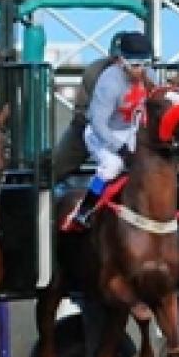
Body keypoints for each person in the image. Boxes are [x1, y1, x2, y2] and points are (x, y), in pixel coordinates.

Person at [60, 32, 152, 231]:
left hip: (130, 130)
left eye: (146, 64)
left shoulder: (151, 76)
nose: (141, 71)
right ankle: (84, 209)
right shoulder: (109, 82)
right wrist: (119, 148)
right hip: (101, 132)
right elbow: (98, 123)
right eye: (136, 65)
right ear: (122, 61)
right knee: (112, 166)